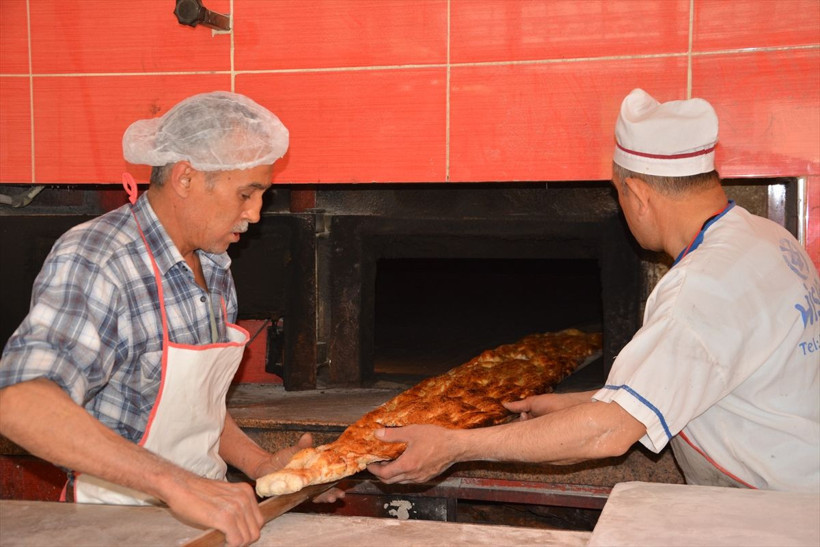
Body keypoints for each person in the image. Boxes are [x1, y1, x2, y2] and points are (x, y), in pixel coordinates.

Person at [366, 88, 820, 492]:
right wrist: (579, 402)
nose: (622, 209)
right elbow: (704, 375)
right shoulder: (767, 239)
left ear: (639, 194)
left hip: (777, 507)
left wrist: (454, 445)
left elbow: (608, 433)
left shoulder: (699, 288)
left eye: (618, 194)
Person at [0, 91, 340, 546]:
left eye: (263, 194)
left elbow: (194, 406)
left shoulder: (214, 266)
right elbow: (19, 403)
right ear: (185, 178)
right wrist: (174, 483)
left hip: (210, 516)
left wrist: (260, 466)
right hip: (113, 526)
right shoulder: (100, 258)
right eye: (247, 192)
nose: (256, 214)